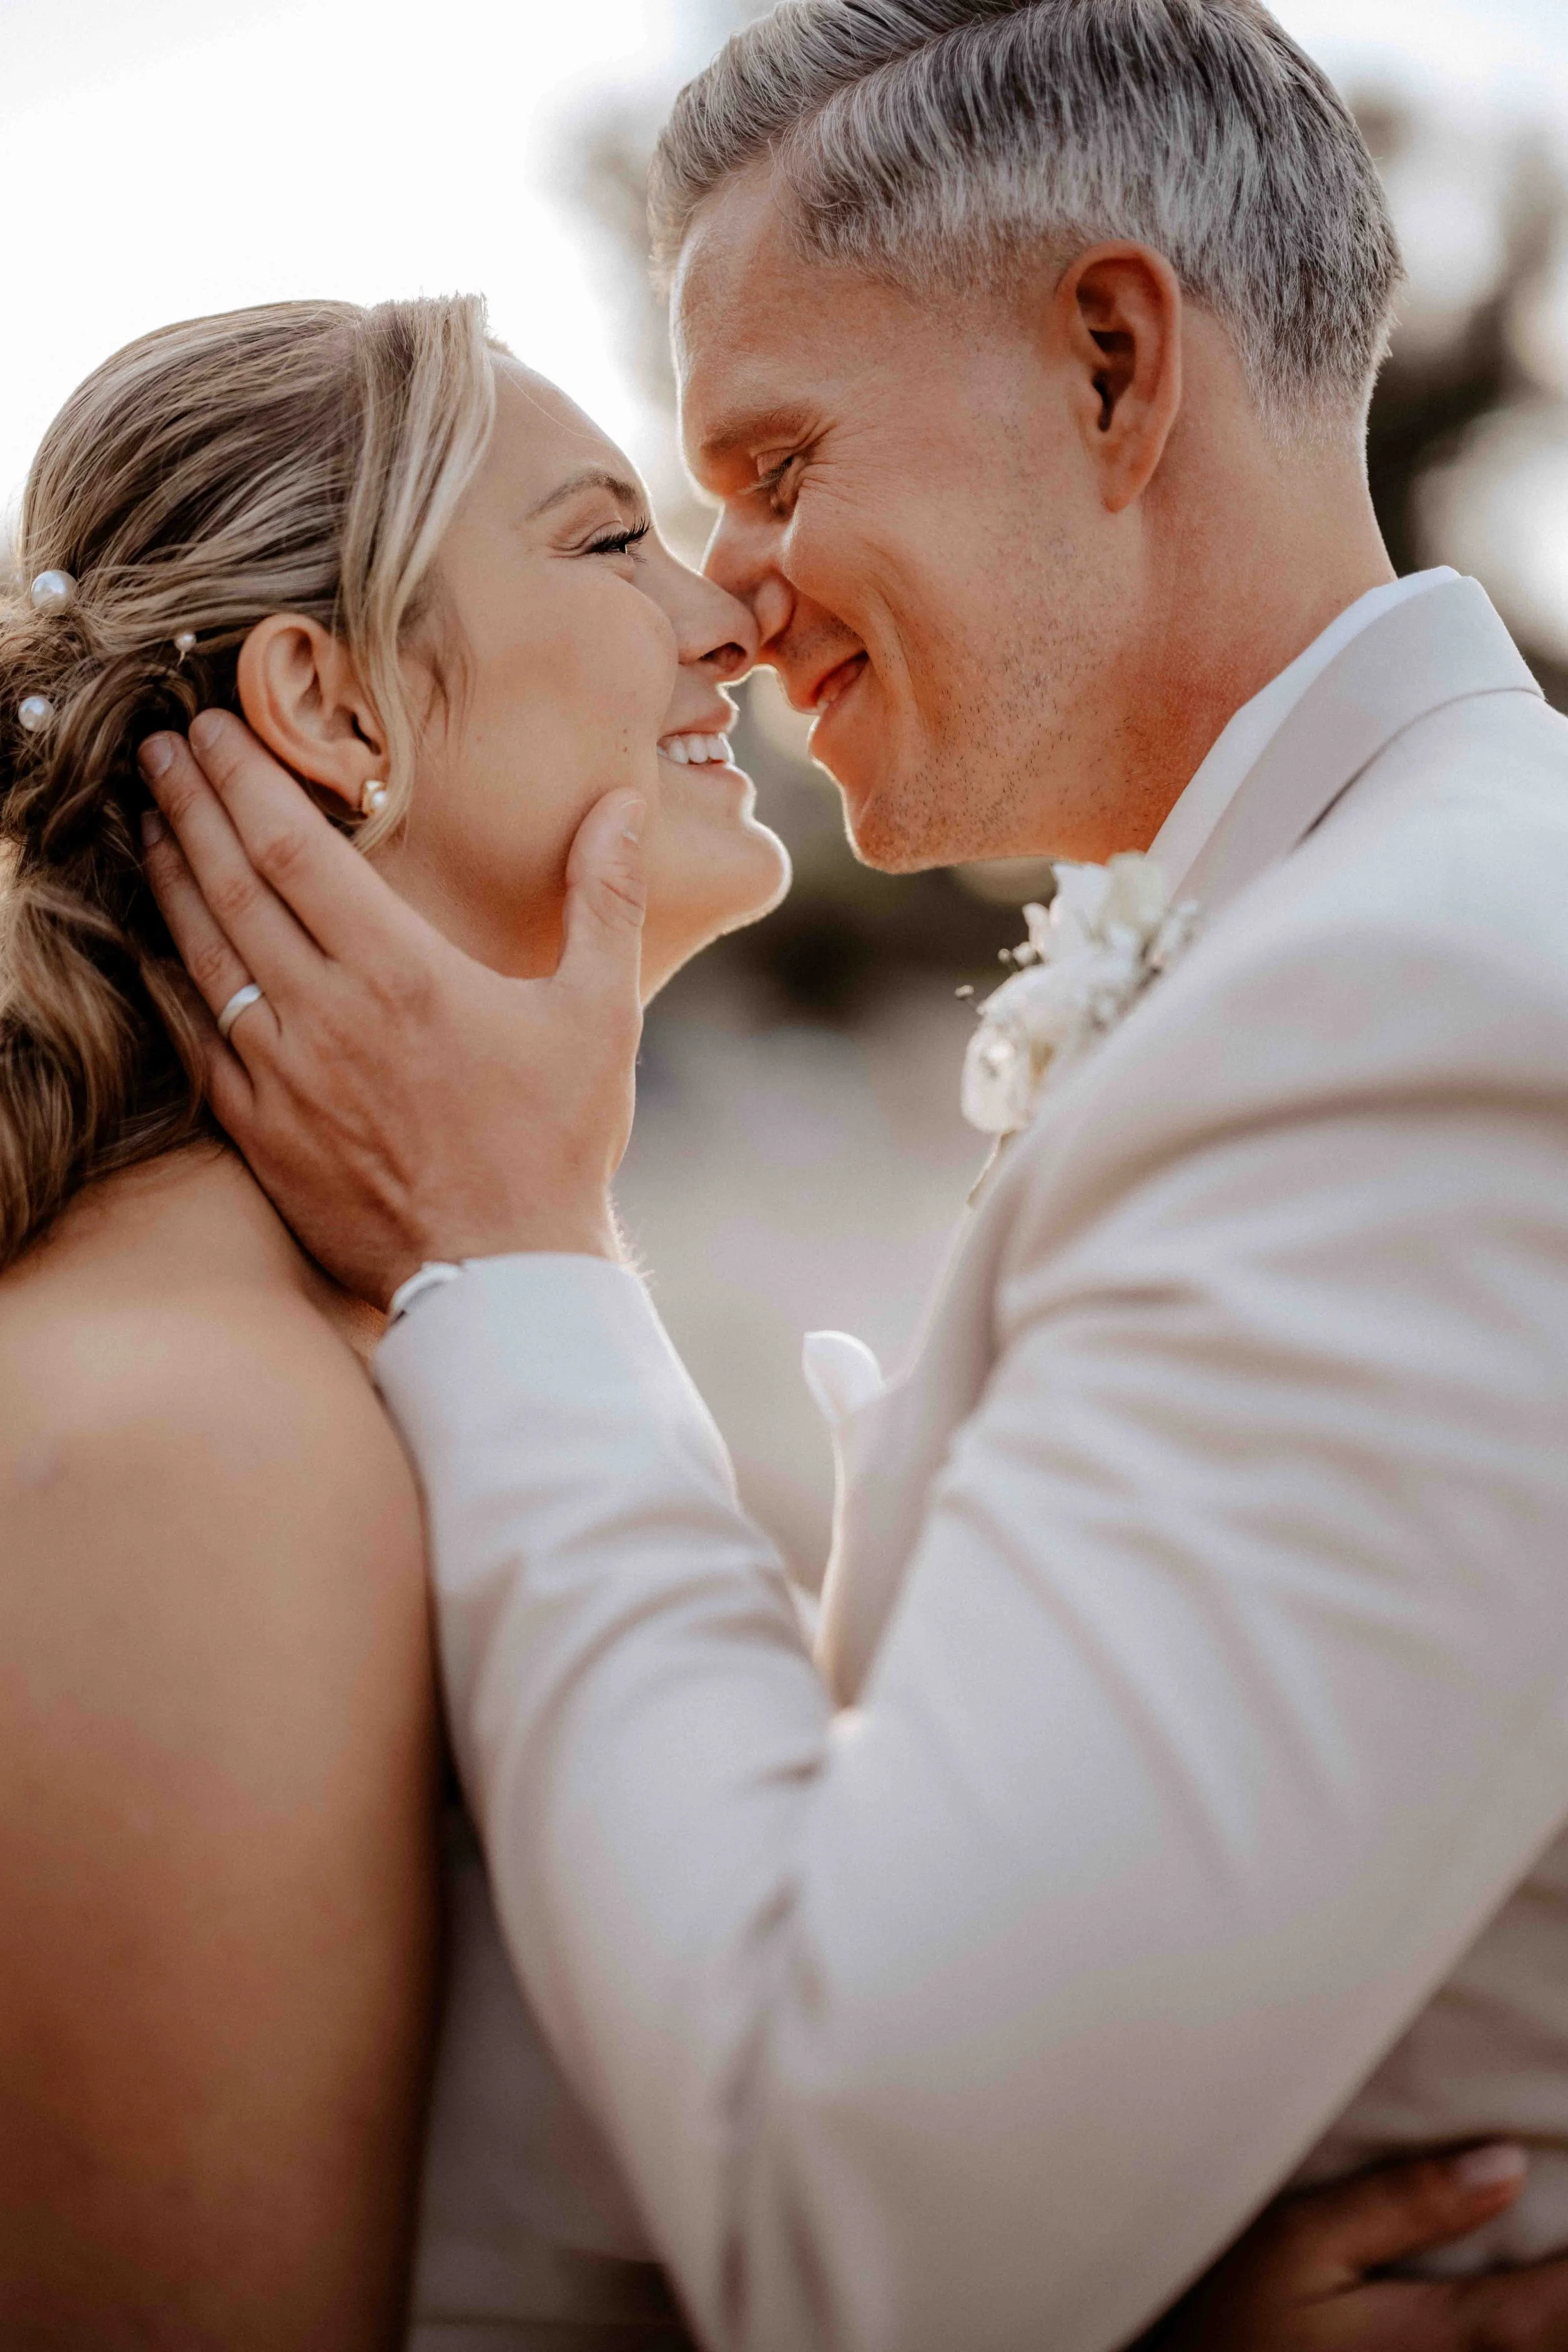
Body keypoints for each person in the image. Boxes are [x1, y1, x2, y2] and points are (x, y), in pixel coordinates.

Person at [133, 0, 1568, 2348]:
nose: (737, 590)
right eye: (660, 517)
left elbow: (861, 2197)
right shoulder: (1355, 952)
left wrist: (519, 1259)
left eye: (776, 465)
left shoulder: (1409, 997)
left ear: (1113, 367)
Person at [0, 293, 786, 2348]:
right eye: (615, 542)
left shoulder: (397, 1329)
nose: (734, 624)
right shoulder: (197, 1448)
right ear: (336, 709)